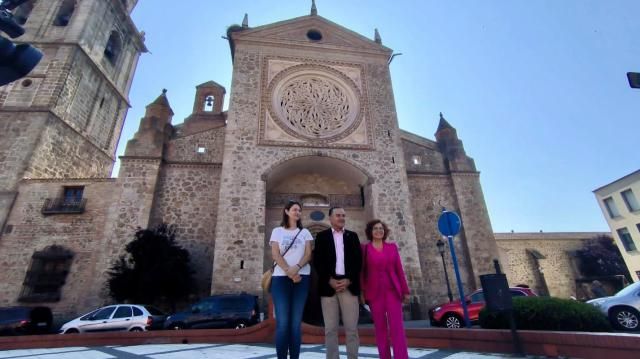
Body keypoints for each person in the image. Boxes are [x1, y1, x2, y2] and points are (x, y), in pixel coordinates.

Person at [313, 206, 362, 359]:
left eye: (343, 215)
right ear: (331, 218)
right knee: (330, 329)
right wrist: (329, 280)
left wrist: (348, 280)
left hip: (349, 286)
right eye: (338, 215)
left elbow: (358, 261)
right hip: (328, 287)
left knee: (352, 329)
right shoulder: (321, 237)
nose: (341, 218)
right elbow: (318, 261)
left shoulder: (352, 236)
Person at [270, 200, 313, 359]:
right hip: (281, 279)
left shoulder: (305, 233)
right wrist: (289, 271)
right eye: (295, 209)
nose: (297, 212)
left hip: (301, 278)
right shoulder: (277, 231)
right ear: (286, 211)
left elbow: (308, 254)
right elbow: (275, 254)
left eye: (299, 210)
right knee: (282, 323)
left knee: (295, 324)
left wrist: (296, 268)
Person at [360, 219, 410, 359]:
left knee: (397, 328)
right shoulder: (365, 249)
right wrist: (362, 292)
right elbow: (362, 273)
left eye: (381, 228)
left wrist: (405, 291)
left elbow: (399, 270)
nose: (379, 231)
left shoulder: (392, 247)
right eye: (375, 228)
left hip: (393, 291)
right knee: (380, 329)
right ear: (370, 232)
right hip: (375, 293)